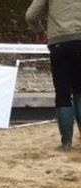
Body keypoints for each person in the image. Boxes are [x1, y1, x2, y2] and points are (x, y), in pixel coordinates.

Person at [25, 0, 81, 150]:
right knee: (80, 91)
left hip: (59, 44)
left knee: (63, 94)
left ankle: (66, 143)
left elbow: (31, 15)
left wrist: (40, 32)